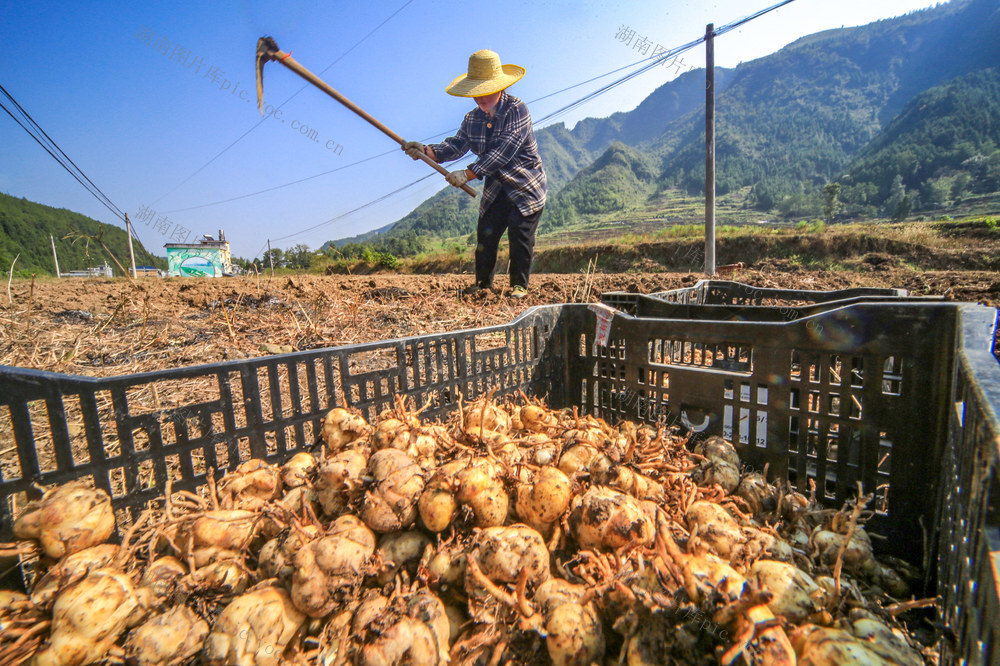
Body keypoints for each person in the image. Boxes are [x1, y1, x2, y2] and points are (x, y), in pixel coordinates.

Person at [403, 49, 546, 299]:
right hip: (497, 188)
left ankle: (519, 287)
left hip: (525, 186)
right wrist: (426, 151)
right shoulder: (472, 119)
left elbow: (504, 151)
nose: (480, 100)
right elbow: (456, 145)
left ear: (499, 88)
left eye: (485, 93)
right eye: (476, 95)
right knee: (486, 234)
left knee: (519, 234)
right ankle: (482, 286)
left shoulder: (517, 110)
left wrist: (469, 174)